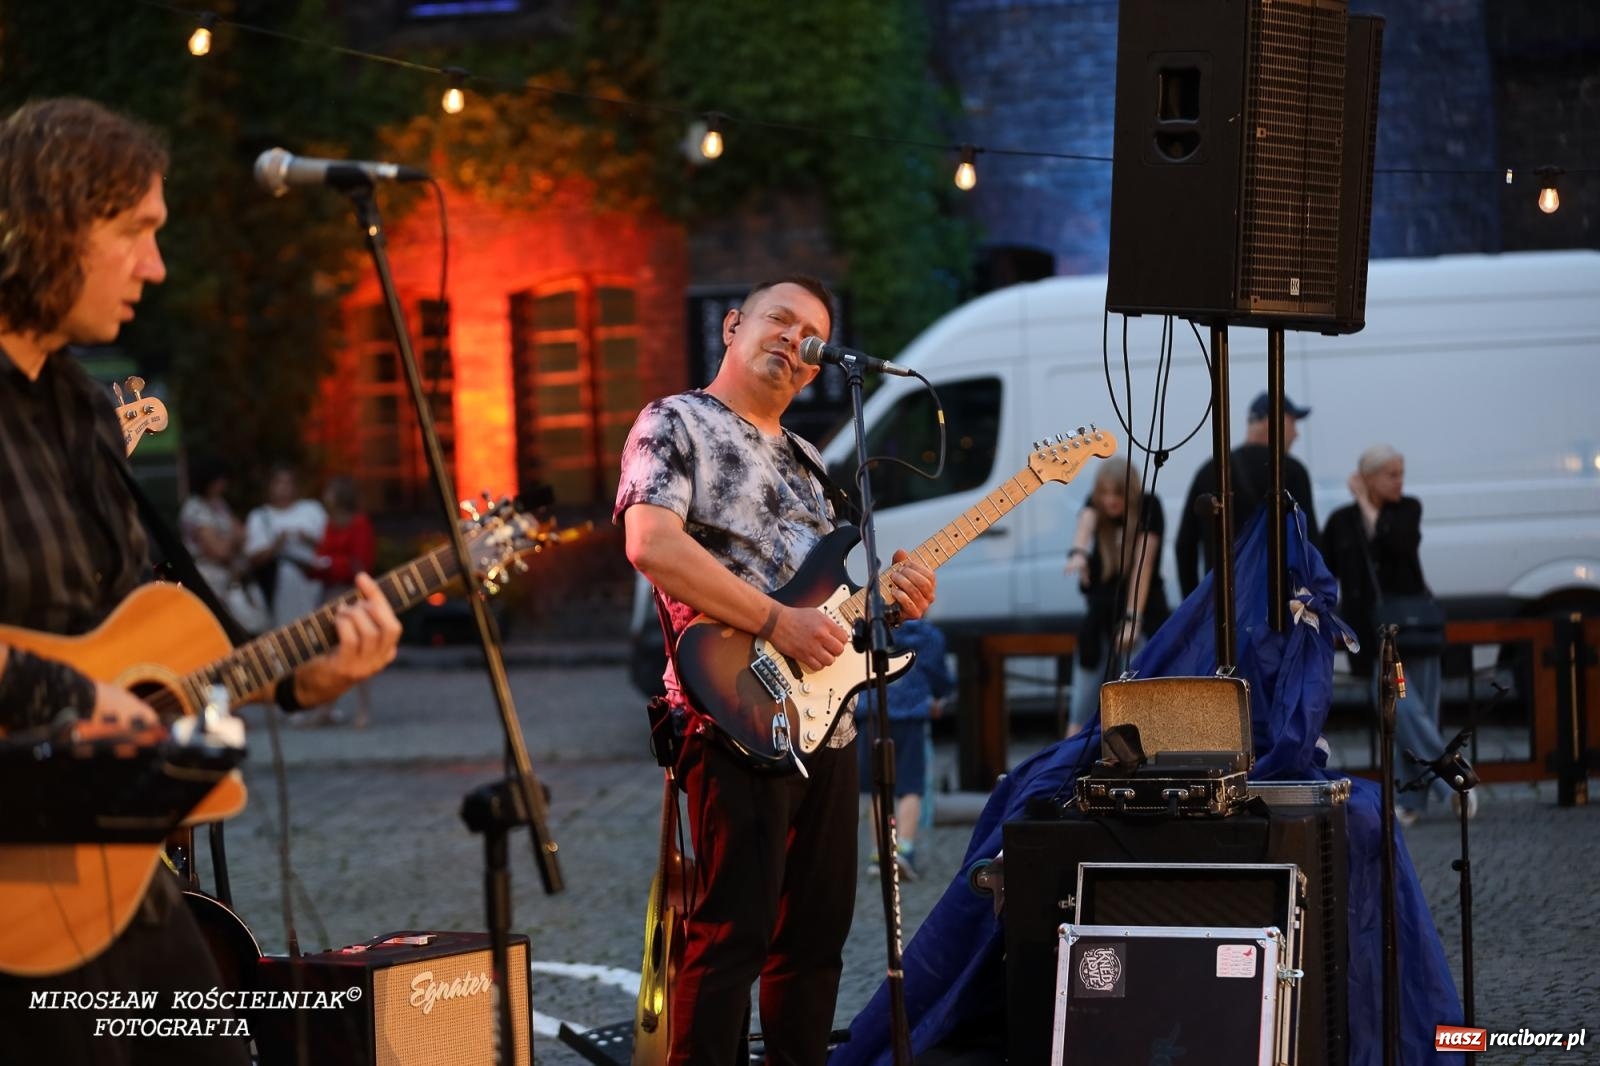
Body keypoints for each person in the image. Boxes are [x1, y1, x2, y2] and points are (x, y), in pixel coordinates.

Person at [0, 97, 402, 1064]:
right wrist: (73, 695)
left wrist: (311, 674)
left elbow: (156, 625)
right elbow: (85, 679)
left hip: (106, 862)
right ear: (51, 221)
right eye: (135, 231)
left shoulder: (83, 408)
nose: (156, 266)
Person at [614, 276, 937, 1066]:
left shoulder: (808, 460)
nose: (795, 341)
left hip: (825, 726)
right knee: (732, 938)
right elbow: (651, 544)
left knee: (814, 942)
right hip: (730, 713)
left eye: (812, 337)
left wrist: (894, 598)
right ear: (732, 327)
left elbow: (829, 606)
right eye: (779, 321)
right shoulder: (674, 421)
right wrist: (773, 621)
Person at [1322, 444, 1471, 826]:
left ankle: (1411, 803)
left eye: (1401, 473)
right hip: (1374, 638)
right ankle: (1454, 781)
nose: (1399, 481)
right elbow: (1326, 571)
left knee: (1413, 714)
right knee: (1402, 711)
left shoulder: (1408, 510)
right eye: (1391, 474)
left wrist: (1367, 506)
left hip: (1414, 631)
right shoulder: (1341, 521)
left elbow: (1394, 542)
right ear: (1369, 478)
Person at [1175, 390, 1320, 599]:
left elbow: (1185, 546)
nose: (1296, 434)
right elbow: (1309, 541)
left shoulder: (1211, 470)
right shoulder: (1291, 471)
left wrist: (1194, 605)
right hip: (1279, 604)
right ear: (1270, 422)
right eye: (1292, 423)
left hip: (1225, 604)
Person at [1065, 458, 1171, 731]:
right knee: (1082, 708)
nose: (1110, 501)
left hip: (1140, 613)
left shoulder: (1149, 506)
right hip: (1099, 618)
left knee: (1137, 707)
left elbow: (1143, 566)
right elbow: (1084, 523)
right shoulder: (1095, 508)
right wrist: (1078, 553)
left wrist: (1133, 617)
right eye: (1105, 493)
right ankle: (1066, 766)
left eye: (1118, 494)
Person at [857, 617, 953, 881]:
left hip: (873, 714)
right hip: (910, 715)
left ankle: (879, 854)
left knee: (878, 787)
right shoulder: (928, 636)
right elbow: (939, 677)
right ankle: (904, 850)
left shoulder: (871, 628)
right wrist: (941, 695)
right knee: (910, 787)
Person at [311, 475, 377, 727]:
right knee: (328, 652)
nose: (326, 496)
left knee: (357, 647)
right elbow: (322, 554)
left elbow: (360, 561)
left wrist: (331, 564)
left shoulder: (359, 524)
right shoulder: (329, 524)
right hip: (329, 591)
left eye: (330, 491)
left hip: (350, 592)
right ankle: (326, 707)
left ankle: (364, 710)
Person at [179, 457, 269, 634]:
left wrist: (231, 539)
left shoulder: (220, 505)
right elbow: (219, 550)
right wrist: (233, 538)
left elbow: (242, 535)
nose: (224, 484)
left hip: (232, 581)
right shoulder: (195, 508)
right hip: (211, 583)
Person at [244, 463, 327, 630]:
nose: (284, 488)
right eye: (279, 482)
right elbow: (253, 559)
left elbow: (332, 545)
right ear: (269, 486)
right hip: (279, 594)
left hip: (317, 588)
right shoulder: (260, 516)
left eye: (289, 482)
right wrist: (276, 546)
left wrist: (309, 539)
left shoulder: (312, 509)